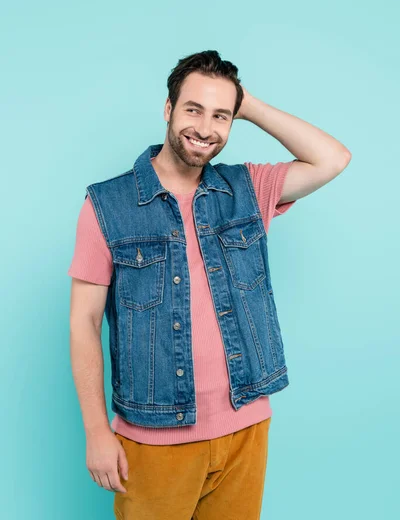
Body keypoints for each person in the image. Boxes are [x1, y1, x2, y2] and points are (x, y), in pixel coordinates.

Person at [68, 50, 351, 519]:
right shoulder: (107, 205)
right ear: (168, 109)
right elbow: (84, 322)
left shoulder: (247, 189)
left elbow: (333, 159)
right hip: (154, 438)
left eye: (221, 115)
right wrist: (97, 431)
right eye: (193, 109)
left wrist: (249, 103)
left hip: (245, 429)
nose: (204, 127)